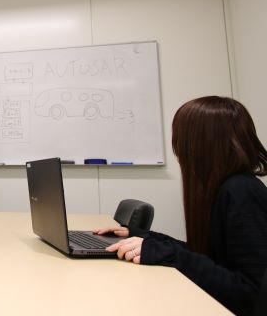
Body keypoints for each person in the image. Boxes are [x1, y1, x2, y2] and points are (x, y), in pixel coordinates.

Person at [94, 96, 267, 316]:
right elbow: (207, 255)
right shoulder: (225, 187)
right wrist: (144, 236)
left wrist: (170, 255)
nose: (178, 149)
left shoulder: (241, 191)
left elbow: (251, 295)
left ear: (202, 144)